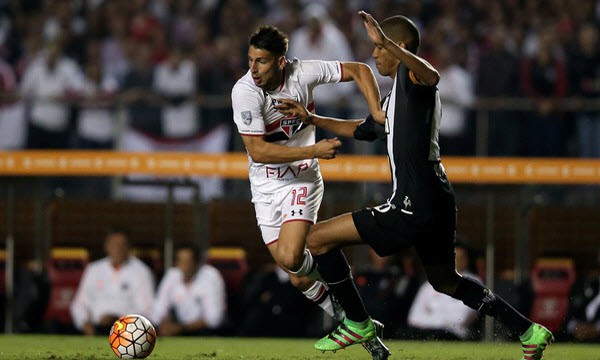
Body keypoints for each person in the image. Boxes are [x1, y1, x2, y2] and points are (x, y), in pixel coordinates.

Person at [275, 11, 554, 360]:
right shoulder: (394, 100)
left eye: (379, 48)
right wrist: (312, 118)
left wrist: (389, 41)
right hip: (437, 199)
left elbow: (432, 74)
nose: (375, 55)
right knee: (446, 281)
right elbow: (365, 129)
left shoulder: (413, 77)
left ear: (399, 47)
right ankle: (527, 330)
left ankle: (357, 322)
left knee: (316, 238)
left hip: (412, 200)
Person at [231, 25, 388, 358]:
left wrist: (375, 113)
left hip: (301, 179)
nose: (254, 69)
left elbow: (360, 70)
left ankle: (354, 318)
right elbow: (258, 152)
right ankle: (361, 322)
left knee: (290, 257)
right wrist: (313, 151)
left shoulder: (305, 73)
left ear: (281, 61)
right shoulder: (244, 91)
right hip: (265, 185)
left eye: (261, 61)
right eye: (251, 60)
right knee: (299, 278)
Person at [70, 228, 155, 335]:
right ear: (106, 246)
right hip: (95, 328)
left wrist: (118, 320)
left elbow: (147, 309)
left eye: (122, 245)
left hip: (128, 333)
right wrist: (84, 323)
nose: (118, 249)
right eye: (114, 244)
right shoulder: (93, 269)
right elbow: (79, 304)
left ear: (129, 247)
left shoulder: (142, 271)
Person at [407, 242, 480, 340]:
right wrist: (441, 320)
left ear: (466, 261)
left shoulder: (473, 283)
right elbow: (413, 318)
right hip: (424, 332)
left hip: (453, 335)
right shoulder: (431, 283)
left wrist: (430, 315)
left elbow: (459, 319)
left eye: (459, 258)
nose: (455, 262)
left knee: (439, 335)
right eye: (452, 257)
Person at [151, 245, 226, 336]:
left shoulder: (210, 276)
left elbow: (214, 319)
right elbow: (157, 312)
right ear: (176, 263)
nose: (185, 265)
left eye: (188, 261)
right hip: (179, 332)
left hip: (207, 334)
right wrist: (165, 324)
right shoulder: (172, 275)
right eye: (181, 261)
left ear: (197, 262)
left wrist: (180, 328)